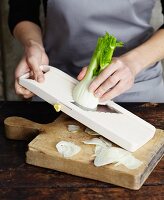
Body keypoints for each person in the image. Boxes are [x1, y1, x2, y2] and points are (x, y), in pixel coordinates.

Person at [8, 0, 164, 102]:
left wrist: (133, 63)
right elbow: (22, 12)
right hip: (58, 82)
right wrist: (33, 45)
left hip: (139, 84)